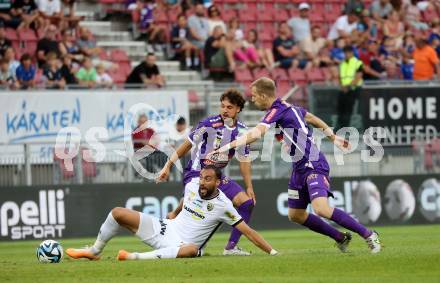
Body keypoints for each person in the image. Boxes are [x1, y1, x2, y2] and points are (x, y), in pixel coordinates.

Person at [209, 77, 381, 254]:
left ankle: (369, 234)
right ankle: (340, 237)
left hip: (313, 163)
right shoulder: (288, 108)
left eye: (254, 96)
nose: (252, 99)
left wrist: (227, 146)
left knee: (321, 208)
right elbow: (312, 118)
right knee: (295, 214)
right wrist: (332, 136)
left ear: (262, 95)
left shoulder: (277, 110)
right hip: (299, 168)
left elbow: (255, 134)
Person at [66, 166, 278, 261]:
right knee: (117, 213)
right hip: (166, 228)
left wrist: (272, 252)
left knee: (193, 250)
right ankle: (94, 251)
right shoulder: (194, 184)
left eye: (208, 179)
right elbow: (187, 198)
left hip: (183, 246)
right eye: (202, 177)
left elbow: (248, 232)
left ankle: (134, 257)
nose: (202, 182)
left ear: (218, 182)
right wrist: (175, 212)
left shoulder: (223, 205)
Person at [157, 89, 257, 256]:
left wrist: (249, 187)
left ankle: (230, 248)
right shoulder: (208, 123)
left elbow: (244, 160)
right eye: (222, 106)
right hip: (196, 172)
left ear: (238, 109)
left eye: (229, 107)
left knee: (247, 204)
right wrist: (168, 165)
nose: (225, 110)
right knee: (201, 200)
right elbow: (186, 145)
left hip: (217, 177)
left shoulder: (242, 131)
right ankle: (174, 232)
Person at [336, 46, 363, 130]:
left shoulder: (358, 63)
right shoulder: (342, 63)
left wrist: (348, 86)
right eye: (345, 52)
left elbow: (358, 76)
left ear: (352, 53)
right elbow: (340, 77)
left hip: (353, 89)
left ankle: (345, 128)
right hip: (343, 89)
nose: (346, 54)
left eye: (348, 52)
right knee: (340, 109)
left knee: (348, 109)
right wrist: (342, 87)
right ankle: (339, 127)